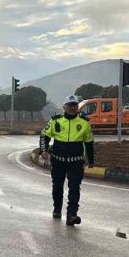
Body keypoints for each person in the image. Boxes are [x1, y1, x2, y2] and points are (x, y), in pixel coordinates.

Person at [39, 95, 94, 226]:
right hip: (58, 161)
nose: (72, 108)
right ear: (64, 107)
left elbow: (89, 142)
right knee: (57, 186)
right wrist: (43, 150)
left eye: (74, 105)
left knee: (74, 187)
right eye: (69, 105)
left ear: (77, 107)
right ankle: (57, 209)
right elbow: (44, 136)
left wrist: (90, 159)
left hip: (76, 161)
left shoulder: (84, 122)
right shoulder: (55, 121)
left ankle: (72, 215)